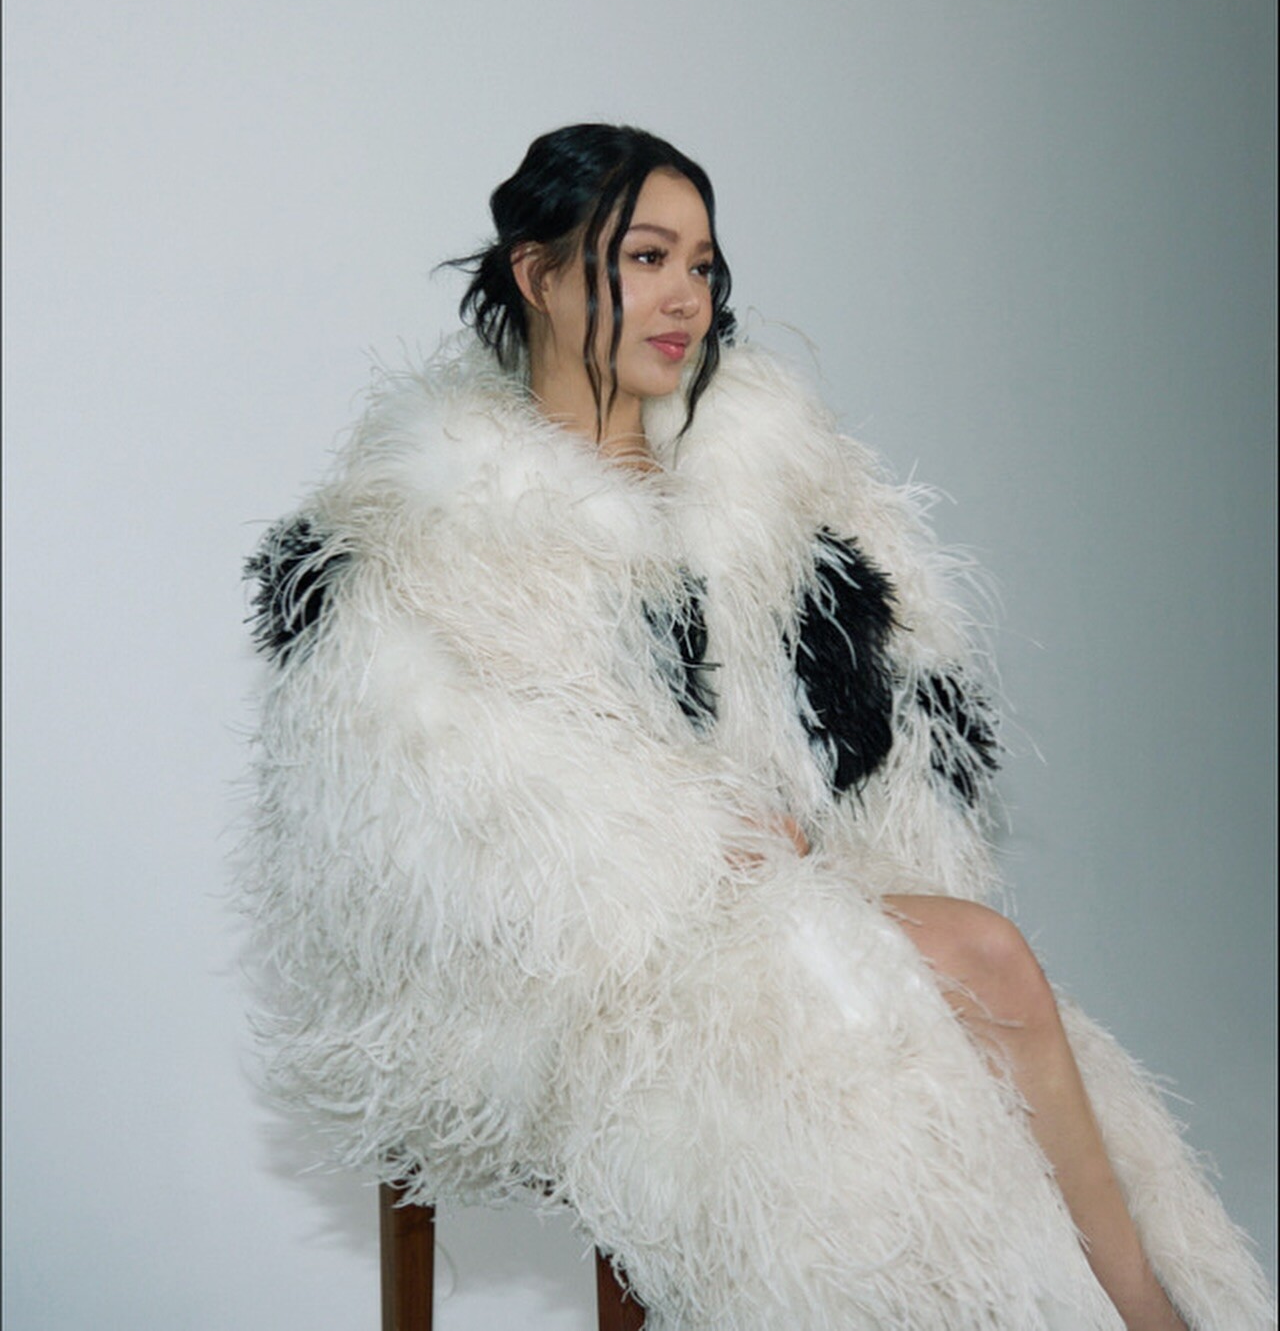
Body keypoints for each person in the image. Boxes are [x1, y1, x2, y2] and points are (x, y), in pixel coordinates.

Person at [241, 125, 1273, 1330]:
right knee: (853, 1013)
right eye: (645, 258)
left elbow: (890, 710)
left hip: (770, 902)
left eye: (701, 264)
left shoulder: (760, 482)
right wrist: (698, 843)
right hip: (570, 974)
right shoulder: (435, 521)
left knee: (977, 965)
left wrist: (789, 844)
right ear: (536, 273)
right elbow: (438, 801)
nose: (685, 296)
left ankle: (1137, 1306)